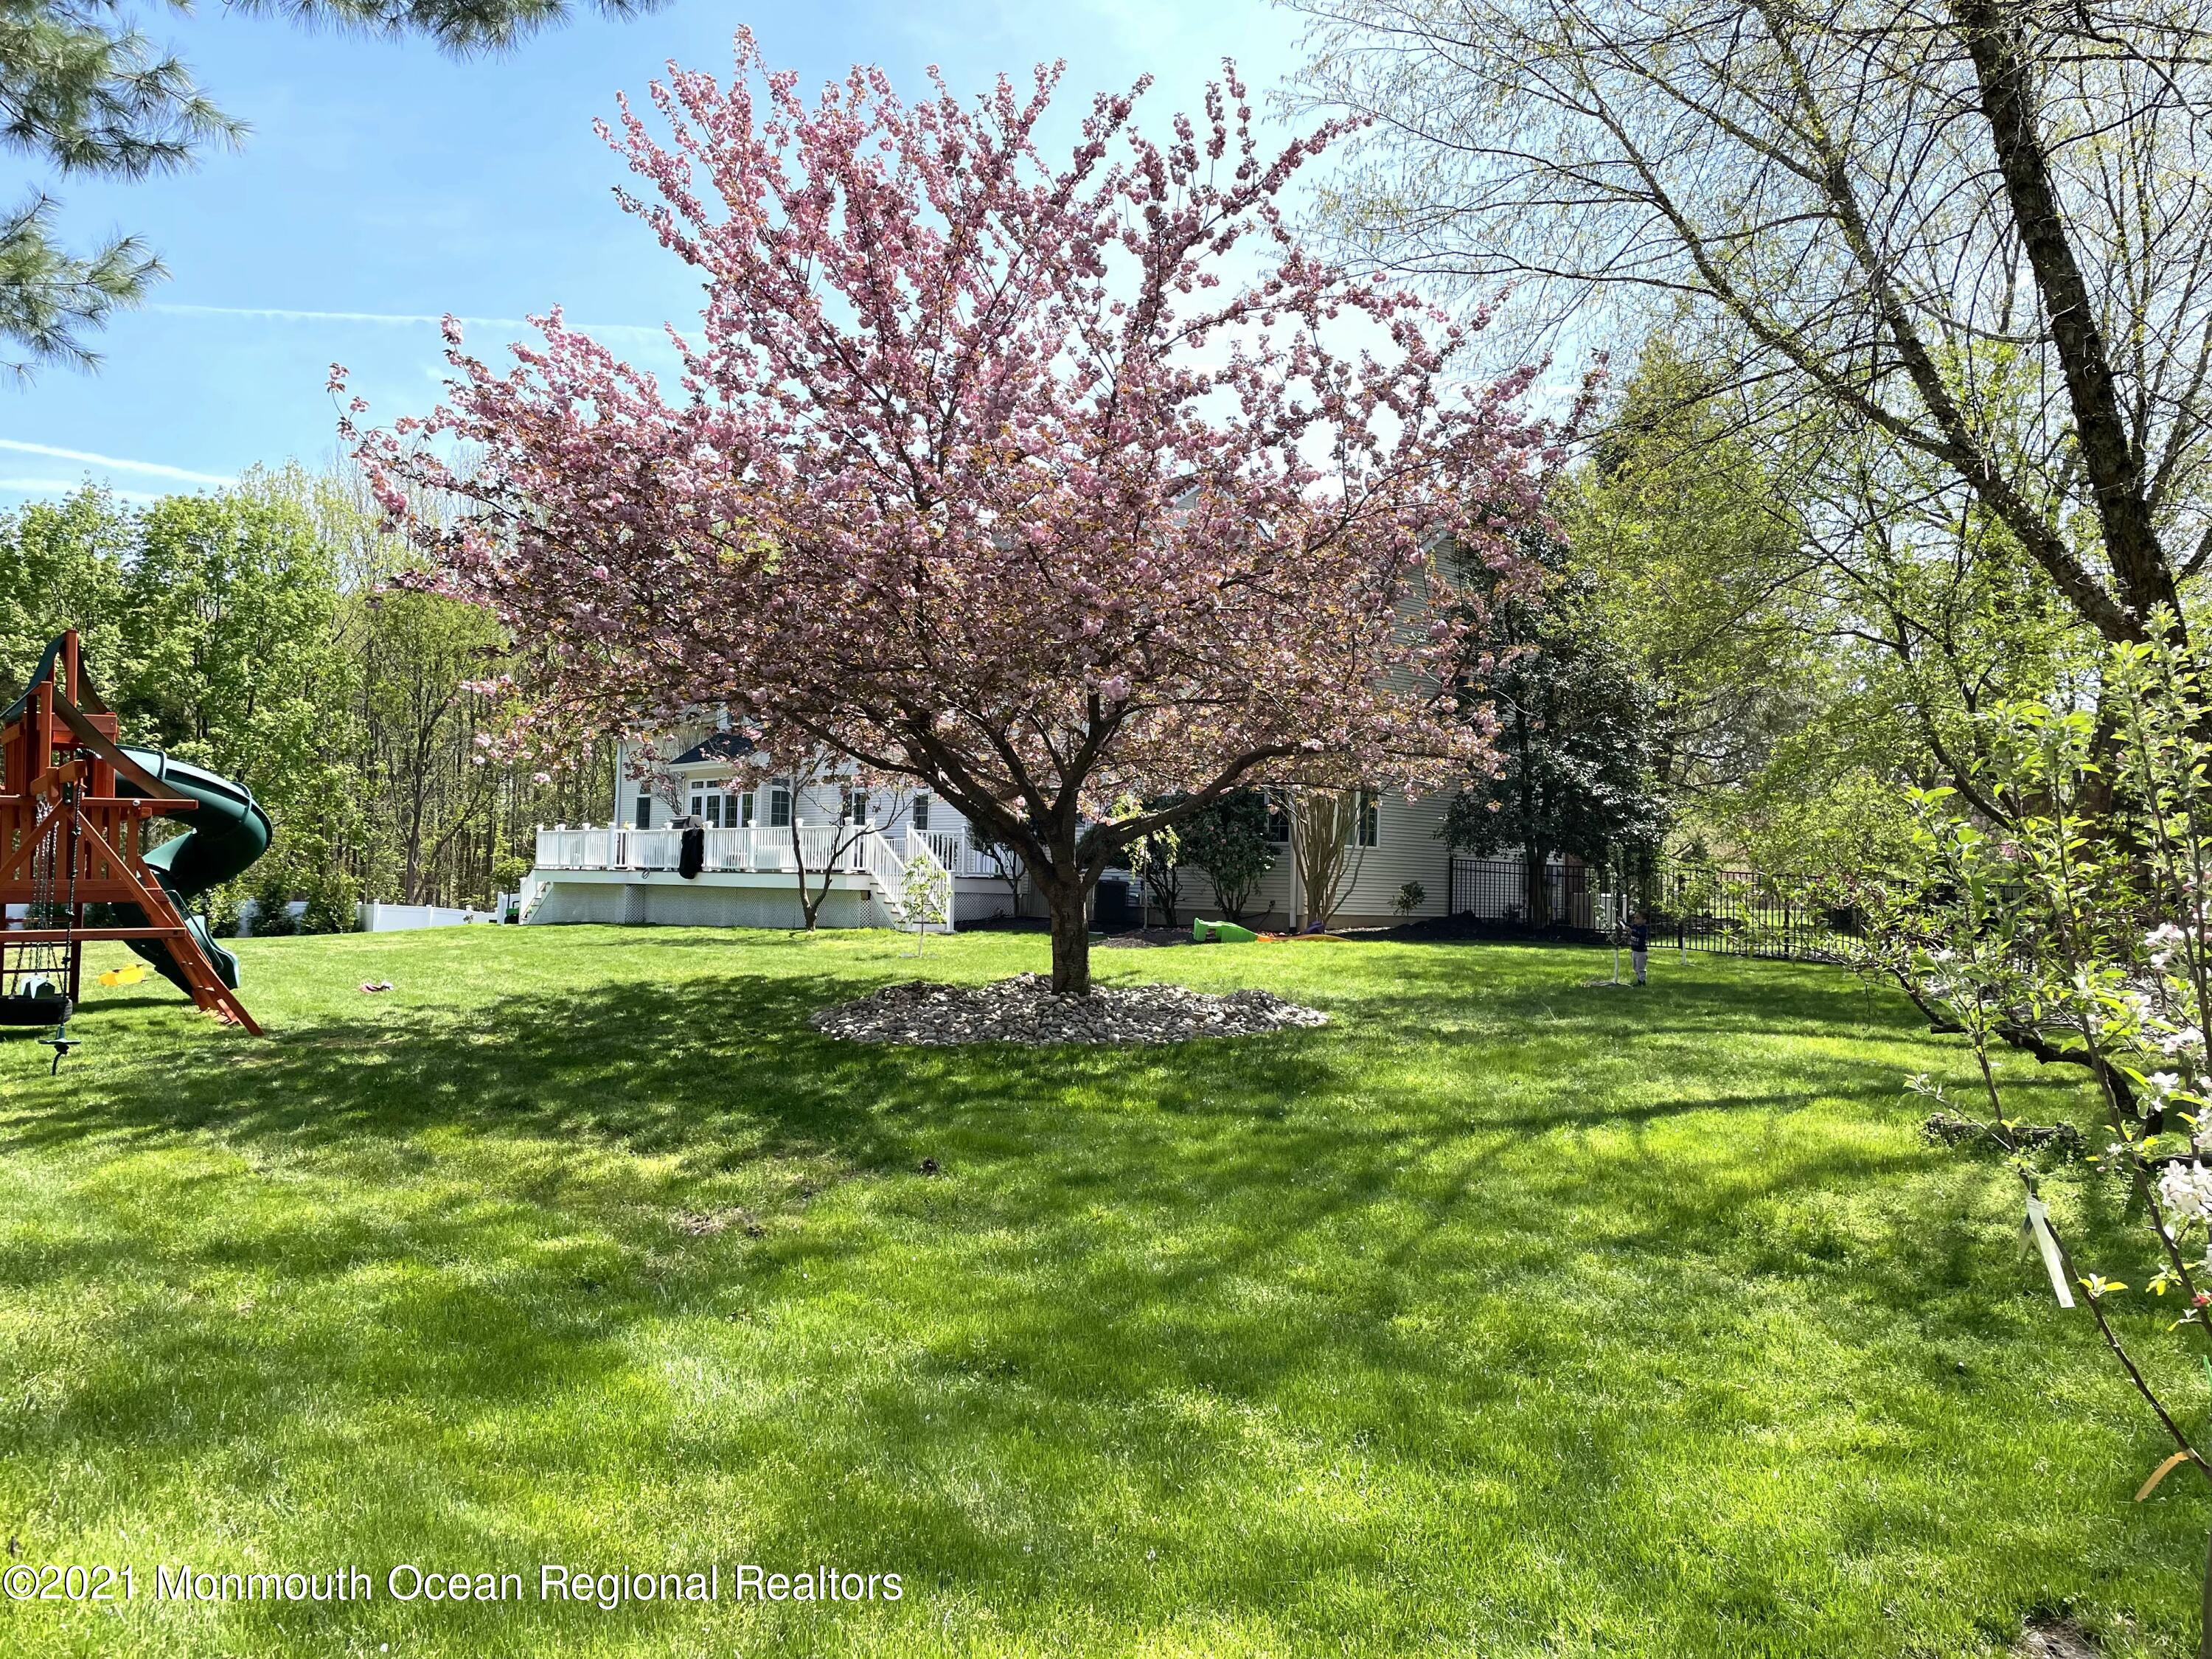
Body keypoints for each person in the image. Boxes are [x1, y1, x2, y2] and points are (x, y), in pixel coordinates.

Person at [1628, 911, 1650, 985]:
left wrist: (1632, 932)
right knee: (1635, 967)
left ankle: (1642, 981)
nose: (1635, 919)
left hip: (1641, 952)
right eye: (1635, 918)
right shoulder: (1634, 926)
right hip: (1634, 951)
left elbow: (1640, 934)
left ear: (1644, 921)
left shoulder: (1644, 929)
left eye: (1638, 918)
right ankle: (1639, 980)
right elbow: (1628, 925)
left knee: (1641, 967)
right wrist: (1621, 921)